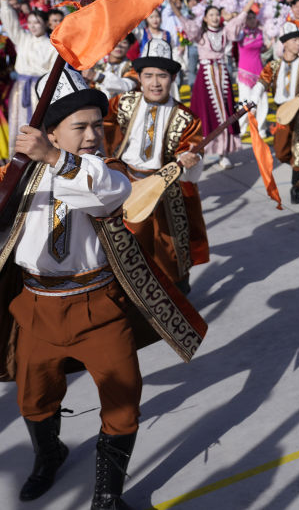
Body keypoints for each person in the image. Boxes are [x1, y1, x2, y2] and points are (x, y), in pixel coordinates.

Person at [0, 66, 207, 508]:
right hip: (36, 306)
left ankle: (108, 494)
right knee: (33, 399)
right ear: (51, 133)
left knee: (123, 400)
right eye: (80, 127)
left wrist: (55, 159)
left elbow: (108, 195)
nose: (93, 134)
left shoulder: (105, 170)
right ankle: (49, 455)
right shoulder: (19, 176)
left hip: (98, 306)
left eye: (98, 124)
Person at [104, 38, 208, 294]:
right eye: (148, 75)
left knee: (171, 250)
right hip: (128, 186)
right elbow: (100, 128)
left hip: (167, 190)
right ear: (138, 77)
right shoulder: (123, 102)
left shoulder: (186, 118)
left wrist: (190, 160)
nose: (155, 83)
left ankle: (177, 297)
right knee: (129, 246)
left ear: (172, 78)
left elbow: (192, 159)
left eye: (162, 75)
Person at [167, 0, 259, 169]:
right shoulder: (200, 34)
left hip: (222, 76)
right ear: (205, 18)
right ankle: (199, 152)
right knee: (204, 114)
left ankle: (223, 153)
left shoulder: (225, 32)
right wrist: (172, 2)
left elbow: (241, 17)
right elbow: (183, 19)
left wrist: (252, 0)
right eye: (211, 15)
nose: (215, 17)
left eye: (217, 14)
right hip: (206, 78)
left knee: (225, 113)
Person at [252, 22, 299, 204]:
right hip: (282, 113)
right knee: (281, 152)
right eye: (295, 40)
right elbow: (261, 84)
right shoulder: (274, 65)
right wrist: (252, 102)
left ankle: (296, 187)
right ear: (285, 43)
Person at [0, 0, 58, 157]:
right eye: (30, 22)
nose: (33, 26)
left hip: (40, 90)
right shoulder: (23, 38)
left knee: (38, 127)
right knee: (19, 124)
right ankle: (17, 160)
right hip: (20, 89)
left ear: (46, 24)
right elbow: (10, 21)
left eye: (37, 23)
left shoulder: (52, 46)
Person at [236, 9, 269, 136]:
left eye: (253, 18)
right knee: (245, 101)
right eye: (248, 18)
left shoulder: (261, 32)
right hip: (244, 72)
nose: (251, 20)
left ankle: (260, 128)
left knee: (262, 101)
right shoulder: (240, 33)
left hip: (258, 70)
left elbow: (263, 48)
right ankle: (241, 128)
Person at [87, 35, 139, 99]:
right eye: (115, 42)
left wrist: (98, 77)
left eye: (124, 42)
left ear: (130, 46)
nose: (119, 46)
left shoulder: (133, 67)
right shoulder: (97, 66)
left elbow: (127, 86)